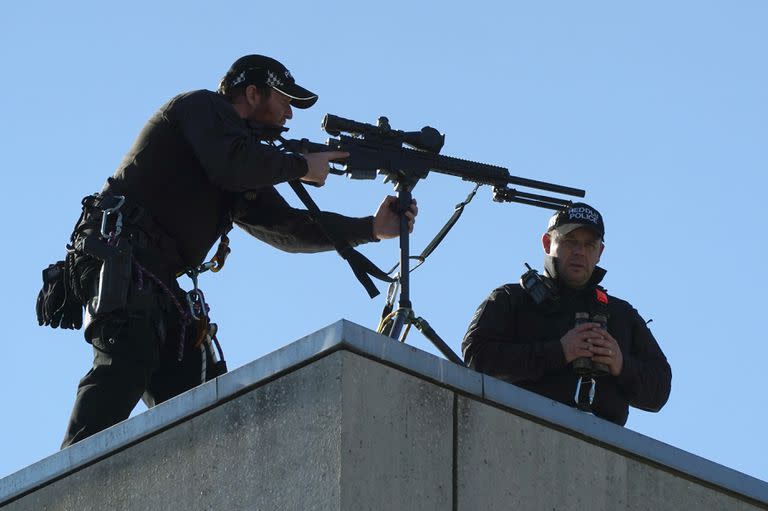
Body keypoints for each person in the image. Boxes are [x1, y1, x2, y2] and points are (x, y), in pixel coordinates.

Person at [55, 54, 418, 447]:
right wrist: (299, 165)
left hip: (155, 282)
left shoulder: (242, 157)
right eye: (284, 102)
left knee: (196, 395)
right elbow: (232, 165)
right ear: (251, 93)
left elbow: (286, 226)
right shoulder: (201, 109)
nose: (289, 116)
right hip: (122, 259)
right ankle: (57, 495)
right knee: (127, 364)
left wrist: (369, 228)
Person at [461, 203, 670, 425]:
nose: (579, 251)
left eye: (589, 245)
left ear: (599, 252)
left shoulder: (621, 315)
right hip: (517, 432)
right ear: (547, 243)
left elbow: (659, 391)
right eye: (570, 241)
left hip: (603, 447)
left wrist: (620, 363)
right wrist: (559, 352)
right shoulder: (511, 298)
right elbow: (475, 356)